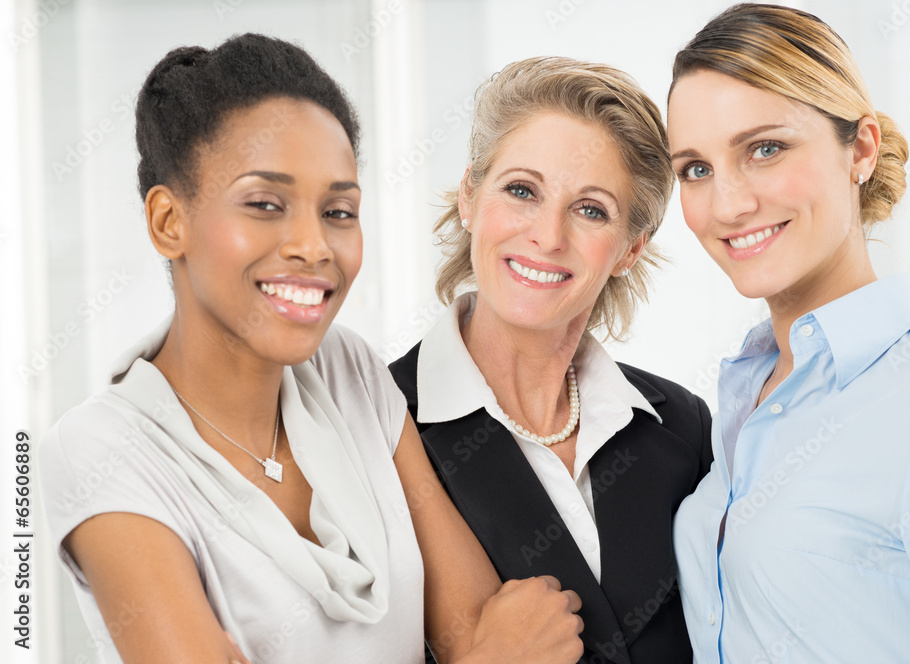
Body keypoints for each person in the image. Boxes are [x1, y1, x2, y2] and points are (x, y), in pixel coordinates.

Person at [39, 34, 585, 664]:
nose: (313, 245)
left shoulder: (347, 370)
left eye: (338, 210)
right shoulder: (101, 453)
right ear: (169, 222)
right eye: (265, 204)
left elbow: (478, 626)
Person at [665, 4, 910, 662]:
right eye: (695, 169)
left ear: (862, 149)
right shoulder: (741, 397)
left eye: (765, 148)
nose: (728, 204)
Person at [389, 56, 714, 664]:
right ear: (468, 196)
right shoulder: (376, 426)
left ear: (630, 249)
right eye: (521, 191)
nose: (547, 235)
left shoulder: (683, 428)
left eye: (591, 209)